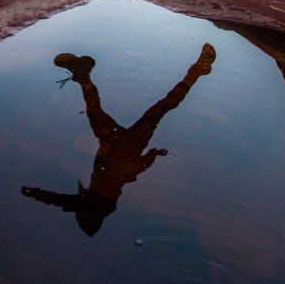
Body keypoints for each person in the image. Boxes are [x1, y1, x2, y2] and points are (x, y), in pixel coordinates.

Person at [21, 42, 216, 236]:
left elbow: (62, 201)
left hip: (118, 146)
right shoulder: (98, 201)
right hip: (122, 148)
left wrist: (150, 156)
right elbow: (64, 201)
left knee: (147, 110)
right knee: (153, 110)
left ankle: (83, 75)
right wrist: (35, 194)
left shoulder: (102, 199)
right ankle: (198, 70)